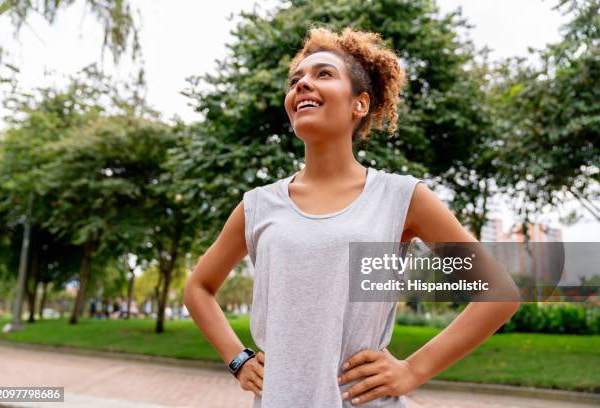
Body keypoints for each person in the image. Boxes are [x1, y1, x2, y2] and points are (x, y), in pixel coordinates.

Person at [184, 26, 520, 407]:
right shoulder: (258, 205)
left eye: (323, 74)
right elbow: (198, 288)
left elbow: (499, 293)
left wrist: (412, 370)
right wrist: (238, 360)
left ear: (359, 104)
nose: (303, 85)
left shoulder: (401, 197)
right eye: (296, 81)